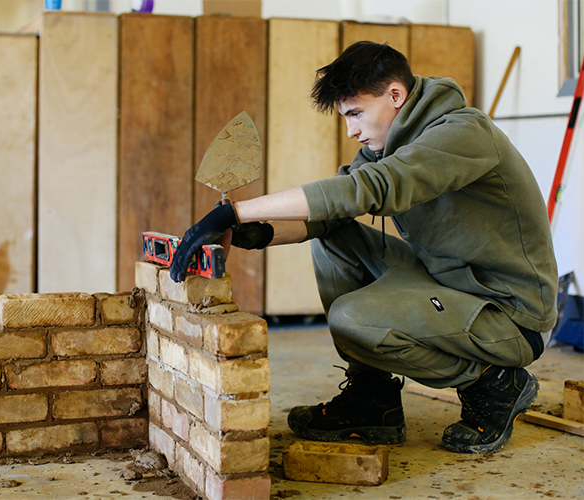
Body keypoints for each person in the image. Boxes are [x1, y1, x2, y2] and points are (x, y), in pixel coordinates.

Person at [169, 41, 557, 455]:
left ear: (395, 95)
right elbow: (328, 216)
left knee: (352, 319)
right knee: (332, 235)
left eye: (356, 113)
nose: (352, 130)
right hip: (451, 285)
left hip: (510, 315)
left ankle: (495, 382)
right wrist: (256, 233)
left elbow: (374, 188)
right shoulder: (387, 145)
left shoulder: (463, 133)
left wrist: (236, 212)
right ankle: (373, 401)